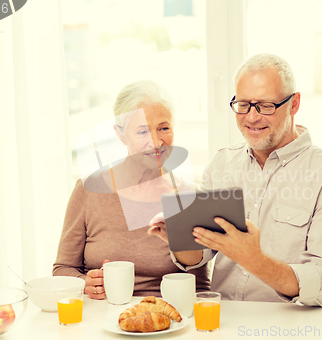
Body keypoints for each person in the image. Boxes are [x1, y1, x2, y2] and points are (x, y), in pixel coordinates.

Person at [149, 54, 322, 306]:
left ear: (294, 104)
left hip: (291, 327)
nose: (252, 118)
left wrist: (254, 260)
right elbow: (198, 255)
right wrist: (178, 239)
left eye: (266, 106)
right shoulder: (222, 163)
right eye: (243, 104)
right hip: (224, 321)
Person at [53, 80, 210, 299]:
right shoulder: (88, 190)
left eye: (163, 128)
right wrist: (85, 284)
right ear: (120, 134)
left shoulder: (189, 197)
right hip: (102, 320)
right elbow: (62, 269)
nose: (156, 142)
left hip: (165, 321)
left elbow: (200, 287)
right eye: (142, 131)